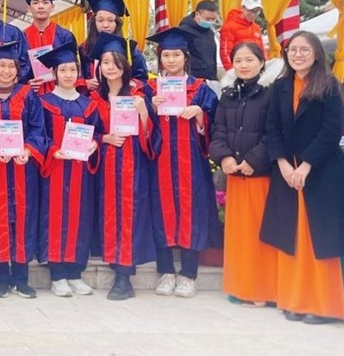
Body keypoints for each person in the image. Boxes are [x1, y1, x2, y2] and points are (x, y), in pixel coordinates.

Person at [260, 30, 344, 325]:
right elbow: (272, 129)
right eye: (293, 50)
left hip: (321, 172)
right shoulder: (280, 87)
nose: (298, 55)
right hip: (287, 173)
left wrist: (306, 165)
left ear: (317, 53)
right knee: (293, 238)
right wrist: (282, 164)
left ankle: (325, 306)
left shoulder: (329, 85)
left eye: (304, 50)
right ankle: (296, 301)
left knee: (320, 239)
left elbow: (331, 131)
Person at [147, 26, 219, 299]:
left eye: (176, 55)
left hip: (192, 164)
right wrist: (150, 110)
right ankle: (166, 271)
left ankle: (189, 274)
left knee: (192, 212)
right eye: (166, 55)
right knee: (161, 211)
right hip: (160, 162)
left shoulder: (201, 89)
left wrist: (200, 114)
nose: (171, 60)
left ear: (185, 57)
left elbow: (215, 125)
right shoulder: (150, 89)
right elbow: (140, 130)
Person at [0, 42, 47, 298]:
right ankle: (1, 277)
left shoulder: (28, 95)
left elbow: (38, 129)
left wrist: (28, 150)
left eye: (11, 66)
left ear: (18, 70)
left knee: (23, 219)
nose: (6, 71)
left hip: (23, 168)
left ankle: (21, 278)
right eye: (1, 65)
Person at [210, 41, 281, 307]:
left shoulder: (271, 93)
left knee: (260, 233)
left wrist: (254, 160)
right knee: (239, 235)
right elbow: (218, 129)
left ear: (261, 62)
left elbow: (275, 132)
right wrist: (224, 157)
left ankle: (261, 289)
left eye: (249, 60)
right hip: (235, 174)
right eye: (238, 61)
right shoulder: (228, 94)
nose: (243, 65)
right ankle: (240, 287)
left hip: (260, 174)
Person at [89, 32, 159, 301]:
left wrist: (143, 111)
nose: (110, 67)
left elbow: (153, 134)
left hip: (133, 164)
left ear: (125, 64)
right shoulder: (95, 98)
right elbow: (87, 133)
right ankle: (113, 260)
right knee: (109, 214)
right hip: (107, 166)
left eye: (116, 61)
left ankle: (124, 276)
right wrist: (104, 138)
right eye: (105, 62)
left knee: (130, 213)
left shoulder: (139, 93)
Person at [37, 42, 105, 297]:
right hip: (54, 170)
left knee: (80, 217)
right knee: (54, 218)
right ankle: (57, 275)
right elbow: (38, 133)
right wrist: (52, 149)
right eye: (63, 70)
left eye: (72, 70)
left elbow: (97, 132)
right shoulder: (42, 102)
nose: (68, 74)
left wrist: (94, 144)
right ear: (54, 73)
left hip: (80, 171)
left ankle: (75, 273)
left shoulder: (88, 104)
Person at [79, 0, 148, 88]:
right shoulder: (83, 49)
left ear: (117, 23)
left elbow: (142, 80)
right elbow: (75, 76)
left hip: (122, 96)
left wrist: (128, 84)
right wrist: (85, 83)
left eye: (110, 20)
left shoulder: (129, 49)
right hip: (92, 96)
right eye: (100, 20)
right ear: (94, 22)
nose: (105, 25)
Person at [21, 0, 77, 94]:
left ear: (52, 6)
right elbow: (18, 67)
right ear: (28, 8)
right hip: (31, 96)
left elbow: (72, 67)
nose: (41, 6)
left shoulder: (65, 36)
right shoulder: (21, 37)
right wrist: (26, 83)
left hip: (59, 95)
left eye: (45, 2)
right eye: (35, 2)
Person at [219, 0, 265, 71]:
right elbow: (225, 53)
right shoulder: (229, 26)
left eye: (256, 11)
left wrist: (263, 67)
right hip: (239, 70)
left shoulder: (256, 28)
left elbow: (261, 50)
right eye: (250, 10)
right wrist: (233, 72)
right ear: (243, 8)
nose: (253, 14)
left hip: (255, 70)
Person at [179, 0, 220, 81]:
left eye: (213, 19)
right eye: (207, 19)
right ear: (197, 14)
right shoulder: (184, 31)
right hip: (192, 80)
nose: (210, 22)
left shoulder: (210, 32)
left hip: (210, 78)